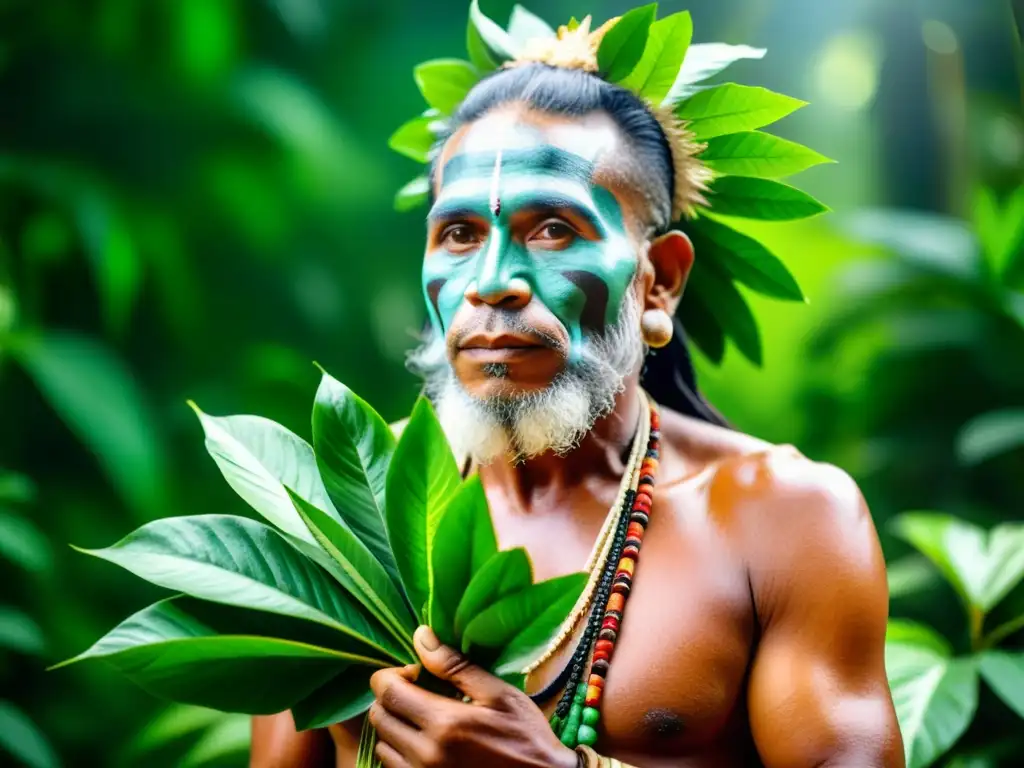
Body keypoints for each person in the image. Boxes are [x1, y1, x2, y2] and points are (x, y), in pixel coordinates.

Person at [251, 9, 904, 768]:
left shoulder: (786, 520)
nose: (491, 282)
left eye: (552, 229)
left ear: (659, 282)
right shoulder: (340, 516)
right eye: (459, 235)